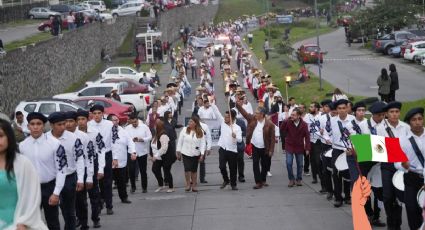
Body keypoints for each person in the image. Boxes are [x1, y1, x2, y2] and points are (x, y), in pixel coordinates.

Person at [20, 112, 67, 230]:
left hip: (49, 188)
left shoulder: (54, 143)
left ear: (43, 126)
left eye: (38, 124)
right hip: (30, 189)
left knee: (52, 221)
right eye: (32, 124)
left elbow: (61, 169)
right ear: (28, 126)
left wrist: (56, 193)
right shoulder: (22, 146)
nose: (35, 127)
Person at [0, 118, 48, 230]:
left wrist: (24, 222)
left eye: (0, 136)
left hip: (19, 224)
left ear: (9, 137)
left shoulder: (23, 164)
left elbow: (32, 196)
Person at [47, 112, 85, 230]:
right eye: (59, 124)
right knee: (51, 213)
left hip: (69, 179)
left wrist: (80, 179)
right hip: (51, 180)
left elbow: (79, 159)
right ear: (52, 125)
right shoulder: (45, 139)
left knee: (69, 212)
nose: (63, 127)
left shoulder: (73, 138)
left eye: (64, 124)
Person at [64, 111, 96, 230]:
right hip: (65, 174)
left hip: (81, 172)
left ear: (76, 122)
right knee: (66, 203)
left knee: (80, 201)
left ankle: (84, 223)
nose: (68, 124)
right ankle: (71, 222)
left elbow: (89, 157)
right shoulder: (60, 137)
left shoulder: (84, 137)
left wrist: (89, 177)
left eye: (71, 121)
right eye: (65, 122)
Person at [381, 101, 409, 230]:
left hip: (402, 165)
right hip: (387, 164)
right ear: (386, 114)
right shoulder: (380, 127)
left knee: (398, 196)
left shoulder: (406, 127)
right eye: (391, 112)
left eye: (397, 112)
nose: (394, 114)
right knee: (387, 197)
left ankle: (396, 225)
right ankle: (390, 220)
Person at [236, 98, 275, 189]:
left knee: (265, 165)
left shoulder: (269, 124)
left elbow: (272, 139)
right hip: (255, 146)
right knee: (255, 164)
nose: (255, 114)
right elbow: (244, 113)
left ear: (262, 114)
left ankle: (263, 179)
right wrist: (237, 105)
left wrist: (271, 150)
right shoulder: (252, 119)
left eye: (257, 113)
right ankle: (258, 182)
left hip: (265, 147)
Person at [398, 107, 425, 230]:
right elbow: (396, 162)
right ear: (409, 123)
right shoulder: (403, 140)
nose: (418, 122)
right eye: (414, 120)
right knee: (411, 208)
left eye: (420, 119)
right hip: (411, 178)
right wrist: (403, 165)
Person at [75, 110, 102, 229]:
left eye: (83, 119)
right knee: (79, 197)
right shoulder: (72, 134)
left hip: (92, 164)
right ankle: (81, 219)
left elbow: (101, 150)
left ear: (87, 120)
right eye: (78, 120)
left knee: (94, 194)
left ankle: (96, 218)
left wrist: (100, 168)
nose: (81, 122)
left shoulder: (95, 133)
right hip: (78, 167)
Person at [87, 105, 114, 215]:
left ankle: (109, 205)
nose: (97, 115)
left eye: (99, 113)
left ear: (103, 113)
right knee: (95, 182)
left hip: (107, 154)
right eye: (95, 113)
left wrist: (115, 157)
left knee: (107, 181)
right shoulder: (88, 126)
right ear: (92, 114)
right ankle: (98, 203)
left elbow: (114, 140)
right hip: (93, 156)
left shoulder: (109, 124)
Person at [329, 99, 355, 208]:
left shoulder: (353, 120)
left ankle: (348, 197)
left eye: (344, 108)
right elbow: (327, 132)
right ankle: (338, 197)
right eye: (339, 108)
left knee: (348, 173)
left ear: (347, 108)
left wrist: (353, 148)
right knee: (337, 173)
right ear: (336, 110)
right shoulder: (332, 120)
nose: (342, 110)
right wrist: (327, 138)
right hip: (337, 149)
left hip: (350, 150)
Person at [211, 105, 242, 190]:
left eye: (227, 117)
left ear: (232, 118)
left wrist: (235, 136)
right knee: (222, 167)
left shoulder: (237, 128)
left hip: (232, 150)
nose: (225, 118)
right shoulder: (222, 123)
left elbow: (240, 140)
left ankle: (233, 184)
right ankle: (226, 180)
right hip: (223, 149)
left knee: (233, 168)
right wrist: (212, 104)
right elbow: (217, 113)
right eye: (225, 117)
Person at [108, 114, 135, 203]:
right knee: (107, 182)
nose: (115, 122)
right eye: (113, 120)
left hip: (121, 161)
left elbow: (130, 142)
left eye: (117, 120)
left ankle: (124, 197)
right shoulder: (107, 132)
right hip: (109, 161)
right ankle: (105, 199)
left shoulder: (123, 131)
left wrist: (133, 152)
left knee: (121, 181)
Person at [281, 107, 310, 187]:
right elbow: (282, 129)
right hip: (289, 145)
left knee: (300, 164)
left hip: (299, 146)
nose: (292, 116)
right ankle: (291, 179)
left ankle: (299, 179)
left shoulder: (304, 125)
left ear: (299, 116)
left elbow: (307, 136)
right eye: (291, 114)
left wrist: (307, 148)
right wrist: (286, 120)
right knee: (288, 163)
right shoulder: (288, 122)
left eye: (294, 115)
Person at [176, 116, 206, 192]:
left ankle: (194, 185)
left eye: (191, 122)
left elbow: (203, 143)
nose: (189, 123)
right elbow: (180, 141)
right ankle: (188, 184)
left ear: (195, 123)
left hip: (195, 153)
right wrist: (178, 151)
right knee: (187, 169)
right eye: (189, 121)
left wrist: (202, 154)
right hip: (185, 152)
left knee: (194, 170)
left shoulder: (200, 131)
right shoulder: (184, 130)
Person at [125, 114, 152, 193]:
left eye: (135, 122)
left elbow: (150, 136)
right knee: (131, 170)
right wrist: (130, 140)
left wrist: (142, 139)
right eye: (132, 123)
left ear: (137, 120)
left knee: (143, 171)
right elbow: (124, 139)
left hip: (142, 151)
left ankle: (144, 187)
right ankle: (133, 187)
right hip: (132, 152)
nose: (134, 124)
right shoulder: (127, 128)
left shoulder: (144, 127)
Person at [151, 119, 175, 193]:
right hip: (158, 157)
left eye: (156, 126)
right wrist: (152, 155)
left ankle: (171, 187)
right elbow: (153, 145)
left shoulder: (163, 135)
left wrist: (156, 155)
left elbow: (164, 148)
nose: (154, 127)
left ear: (158, 127)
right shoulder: (156, 135)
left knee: (167, 171)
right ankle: (161, 185)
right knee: (155, 169)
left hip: (166, 157)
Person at [304, 102, 323, 186]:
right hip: (310, 140)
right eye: (310, 106)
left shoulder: (322, 116)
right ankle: (314, 177)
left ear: (316, 108)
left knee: (318, 160)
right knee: (312, 160)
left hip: (320, 140)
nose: (310, 108)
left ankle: (321, 175)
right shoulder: (307, 116)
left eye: (312, 107)